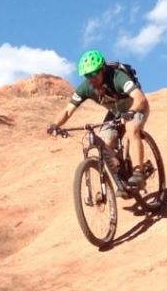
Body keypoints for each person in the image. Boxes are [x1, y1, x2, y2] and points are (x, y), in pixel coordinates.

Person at [48, 49, 151, 188]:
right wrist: (55, 124)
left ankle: (139, 172)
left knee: (131, 128)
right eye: (87, 75)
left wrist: (131, 111)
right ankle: (123, 174)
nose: (92, 78)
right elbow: (67, 111)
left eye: (94, 73)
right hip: (116, 113)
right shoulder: (86, 88)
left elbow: (140, 98)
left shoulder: (117, 77)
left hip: (136, 107)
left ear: (102, 69)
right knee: (106, 144)